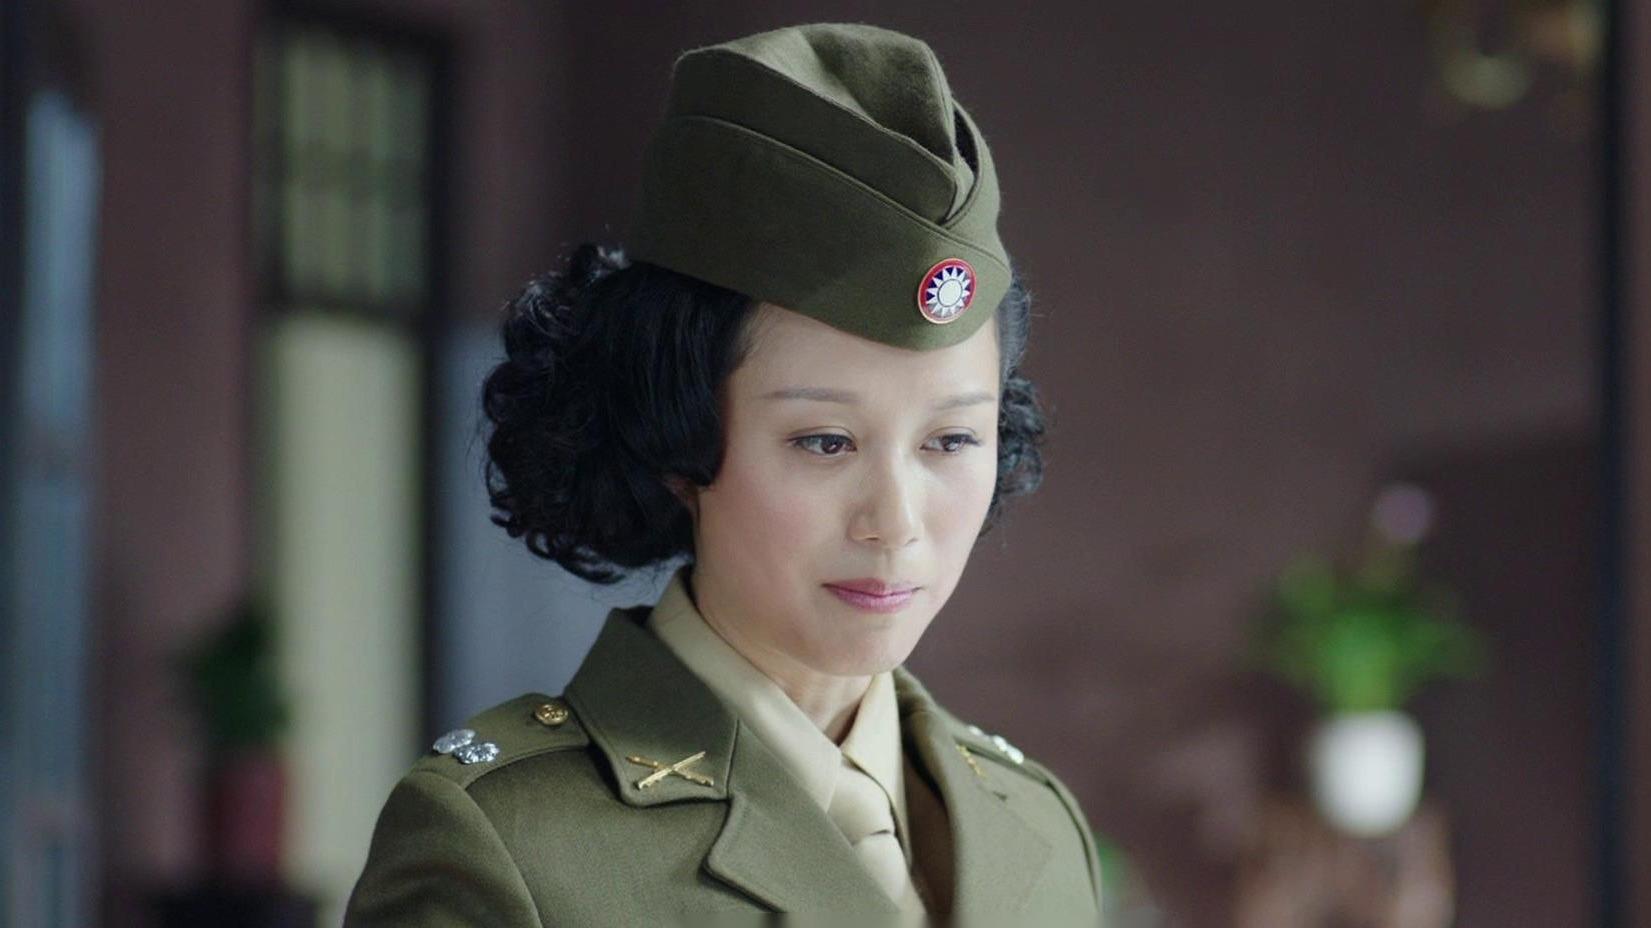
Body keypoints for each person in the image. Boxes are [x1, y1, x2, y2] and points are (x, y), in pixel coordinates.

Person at [343, 21, 1104, 924]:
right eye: (825, 441)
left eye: (950, 441)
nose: (895, 522)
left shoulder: (1032, 828)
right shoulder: (507, 845)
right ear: (676, 440)